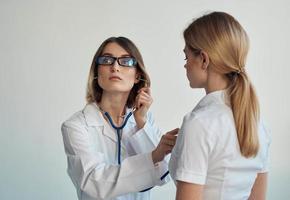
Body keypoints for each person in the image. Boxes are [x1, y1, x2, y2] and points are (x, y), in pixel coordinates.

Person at [169, 12, 270, 200]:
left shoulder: (198, 124)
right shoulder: (258, 124)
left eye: (186, 57)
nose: (185, 66)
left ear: (204, 60)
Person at [61, 36, 178, 200]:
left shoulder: (144, 120)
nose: (115, 67)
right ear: (97, 72)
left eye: (126, 61)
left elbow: (165, 174)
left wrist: (141, 124)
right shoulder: (76, 126)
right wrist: (153, 157)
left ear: (137, 75)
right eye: (107, 60)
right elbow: (94, 183)